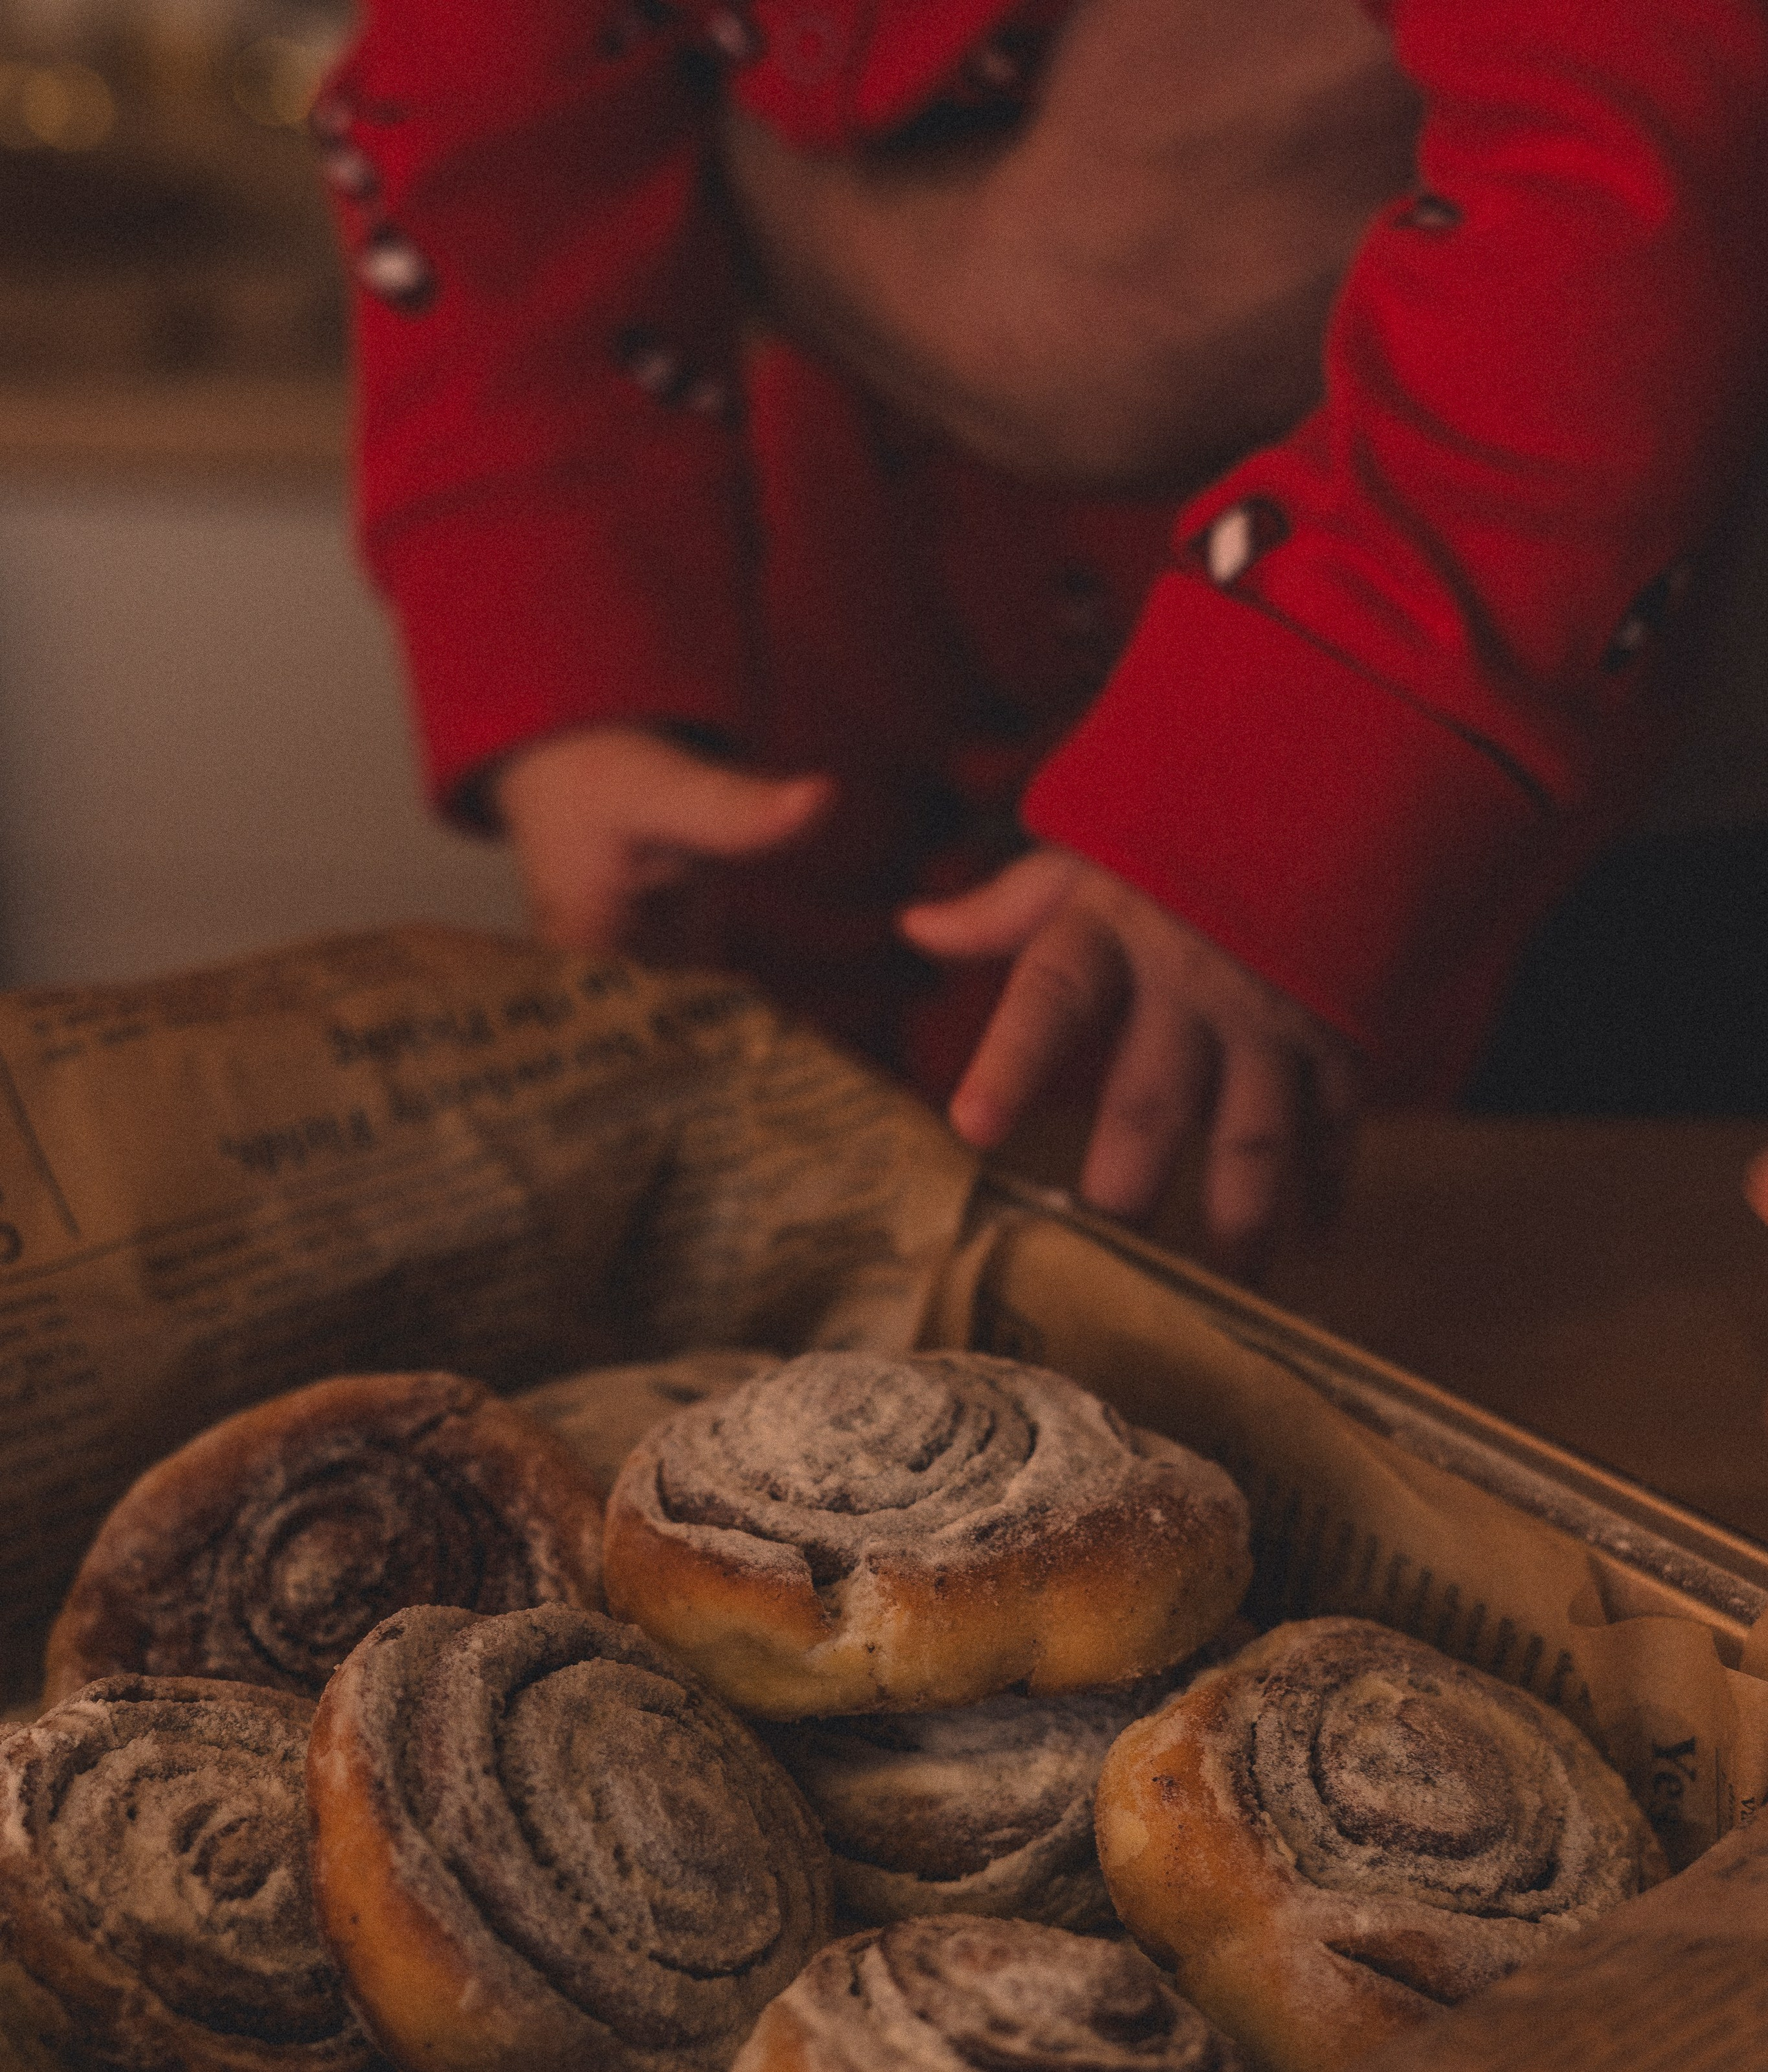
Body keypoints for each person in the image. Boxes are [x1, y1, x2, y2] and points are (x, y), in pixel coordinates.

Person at [312, 0, 1768, 1271]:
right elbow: (480, 124)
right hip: (829, 560)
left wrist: (1284, 770)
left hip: (1428, 604)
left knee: (1323, 1230)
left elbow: (1634, 164)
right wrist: (572, 685)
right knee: (813, 1162)